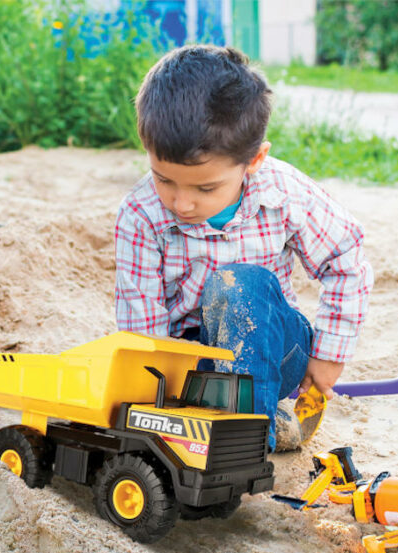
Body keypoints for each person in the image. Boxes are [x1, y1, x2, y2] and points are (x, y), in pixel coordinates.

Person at [115, 45, 373, 451]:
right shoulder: (141, 214)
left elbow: (346, 260)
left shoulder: (285, 194)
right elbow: (142, 325)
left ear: (254, 160)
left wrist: (329, 355)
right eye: (163, 179)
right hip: (190, 365)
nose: (182, 203)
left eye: (205, 187)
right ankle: (245, 421)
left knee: (237, 284)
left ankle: (248, 440)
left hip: (276, 350)